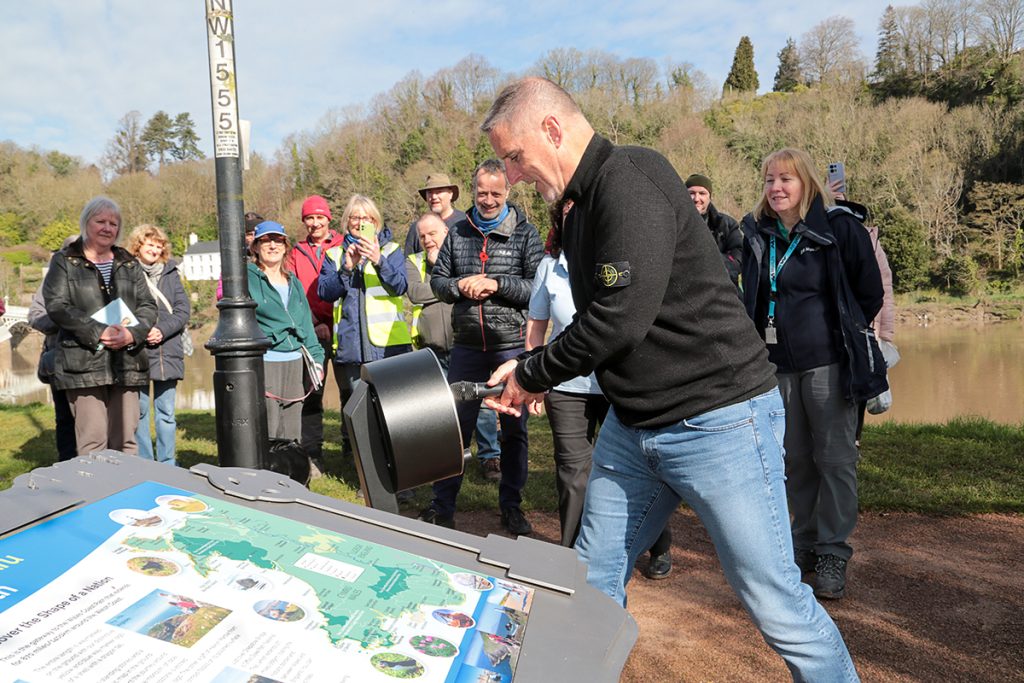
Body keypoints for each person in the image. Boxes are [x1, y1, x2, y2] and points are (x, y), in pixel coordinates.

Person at [480, 78, 858, 680]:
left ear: (552, 130)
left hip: (720, 420)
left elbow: (619, 318)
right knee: (590, 582)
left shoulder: (631, 178)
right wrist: (534, 368)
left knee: (775, 601)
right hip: (634, 428)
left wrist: (534, 372)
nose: (513, 173)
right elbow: (605, 321)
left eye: (515, 157)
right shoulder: (575, 208)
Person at [739, 148, 883, 601]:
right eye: (768, 180)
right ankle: (802, 544)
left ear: (806, 183)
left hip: (829, 364)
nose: (776, 188)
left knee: (835, 460)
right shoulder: (759, 232)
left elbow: (869, 292)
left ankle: (833, 553)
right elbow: (755, 298)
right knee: (794, 460)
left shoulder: (837, 228)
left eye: (786, 178)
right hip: (777, 367)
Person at [419, 159, 543, 536]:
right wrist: (460, 287)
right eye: (482, 193)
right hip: (468, 348)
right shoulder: (458, 233)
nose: (488, 200)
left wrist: (496, 285)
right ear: (473, 192)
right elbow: (438, 282)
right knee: (454, 429)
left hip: (509, 348)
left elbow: (535, 291)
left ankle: (511, 507)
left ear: (508, 193)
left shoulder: (525, 233)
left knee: (514, 431)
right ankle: (442, 508)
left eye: (496, 193)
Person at [42, 196, 158, 456]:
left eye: (114, 223)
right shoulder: (64, 261)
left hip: (127, 362)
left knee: (126, 442)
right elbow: (57, 305)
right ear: (86, 223)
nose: (108, 228)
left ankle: (127, 496)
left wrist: (131, 334)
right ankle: (95, 497)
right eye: (101, 221)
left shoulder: (129, 262)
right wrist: (99, 332)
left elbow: (148, 306)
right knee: (93, 443)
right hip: (83, 364)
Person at [406, 173, 501, 481]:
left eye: (433, 234)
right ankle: (447, 460)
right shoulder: (415, 261)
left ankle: (490, 458)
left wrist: (449, 284)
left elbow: (469, 287)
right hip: (431, 348)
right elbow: (414, 292)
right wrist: (447, 282)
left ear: (446, 232)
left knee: (483, 402)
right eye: (423, 236)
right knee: (440, 408)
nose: (428, 239)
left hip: (467, 340)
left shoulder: (464, 250)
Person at [317, 195, 411, 432]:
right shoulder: (334, 255)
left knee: (393, 409)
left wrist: (379, 260)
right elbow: (325, 292)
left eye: (366, 218)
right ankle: (359, 462)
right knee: (359, 411)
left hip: (389, 346)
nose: (360, 222)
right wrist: (347, 268)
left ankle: (395, 462)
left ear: (376, 222)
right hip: (352, 347)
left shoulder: (391, 250)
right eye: (354, 217)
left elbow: (400, 286)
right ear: (346, 222)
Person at [247, 221, 325, 442]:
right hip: (266, 361)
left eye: (278, 240)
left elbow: (307, 328)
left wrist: (317, 361)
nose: (272, 245)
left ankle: (291, 475)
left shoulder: (295, 283)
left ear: (285, 245)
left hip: (295, 361)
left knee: (292, 431)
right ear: (255, 247)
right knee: (270, 430)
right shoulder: (247, 279)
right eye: (265, 240)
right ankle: (266, 475)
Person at [286, 195, 345, 471]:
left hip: (345, 330)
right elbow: (294, 294)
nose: (314, 222)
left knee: (350, 392)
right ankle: (313, 453)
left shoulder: (344, 244)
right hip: (313, 333)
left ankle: (351, 448)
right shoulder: (295, 253)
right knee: (312, 393)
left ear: (328, 219)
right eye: (309, 218)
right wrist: (312, 323)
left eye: (319, 217)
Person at [126, 224, 190, 466]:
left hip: (168, 351)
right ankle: (145, 464)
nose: (154, 249)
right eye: (149, 244)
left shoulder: (171, 273)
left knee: (166, 414)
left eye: (158, 245)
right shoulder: (126, 272)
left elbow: (183, 310)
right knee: (139, 414)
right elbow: (123, 310)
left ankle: (168, 464)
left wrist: (162, 330)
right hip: (137, 352)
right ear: (138, 246)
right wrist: (143, 332)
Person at [27, 237, 80, 461]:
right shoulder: (49, 280)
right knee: (65, 418)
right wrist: (63, 319)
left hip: (97, 359)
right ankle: (67, 468)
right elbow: (35, 316)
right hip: (60, 358)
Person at [685, 173, 743, 288]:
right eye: (691, 193)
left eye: (702, 193)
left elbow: (739, 258)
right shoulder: (675, 224)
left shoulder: (727, 224)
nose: (696, 199)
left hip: (722, 290)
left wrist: (708, 262)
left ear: (710, 197)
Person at [216, 212, 263, 301]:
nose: (253, 238)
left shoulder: (273, 258)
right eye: (249, 234)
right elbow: (221, 293)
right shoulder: (233, 260)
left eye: (256, 233)